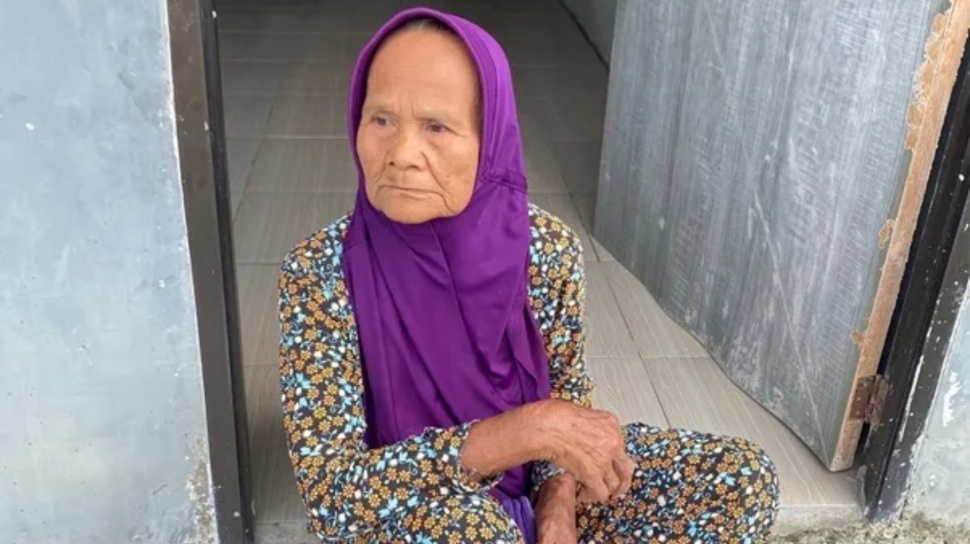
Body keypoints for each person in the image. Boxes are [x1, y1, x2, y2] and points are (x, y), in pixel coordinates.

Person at [277, 7, 779, 543]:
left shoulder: (546, 248)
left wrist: (557, 504)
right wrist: (529, 430)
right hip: (409, 509)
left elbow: (566, 392)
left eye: (436, 127)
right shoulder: (320, 273)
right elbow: (332, 497)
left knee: (742, 480)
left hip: (530, 485)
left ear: (490, 137)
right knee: (477, 533)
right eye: (381, 119)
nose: (401, 154)